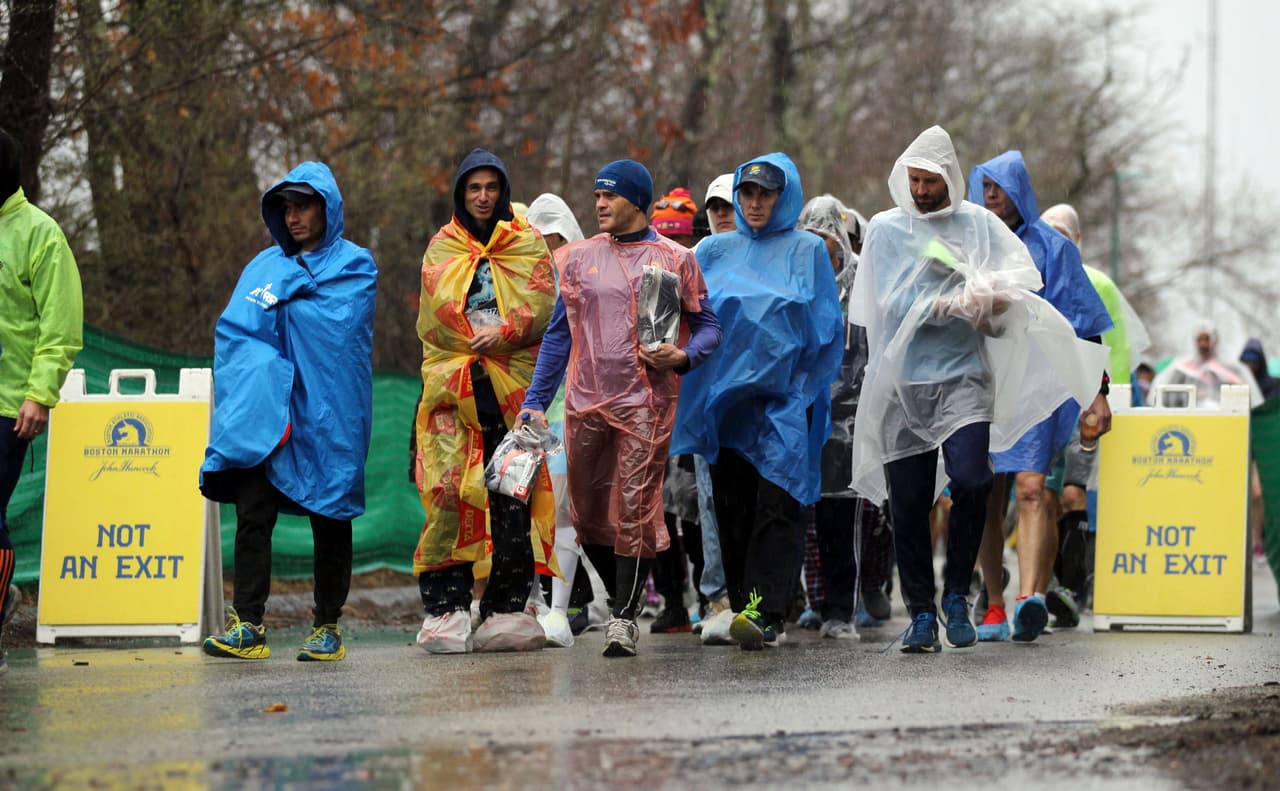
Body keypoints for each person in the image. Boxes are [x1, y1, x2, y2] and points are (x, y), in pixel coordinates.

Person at [849, 126, 1106, 653]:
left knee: (971, 480)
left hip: (964, 376)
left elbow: (1020, 278)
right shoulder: (886, 229)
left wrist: (990, 298)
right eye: (914, 180)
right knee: (910, 501)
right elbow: (881, 302)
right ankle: (921, 612)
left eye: (930, 180)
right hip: (904, 381)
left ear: (950, 177)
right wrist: (942, 304)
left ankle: (956, 596)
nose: (920, 191)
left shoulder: (978, 225)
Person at [517, 159, 721, 658]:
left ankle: (624, 618)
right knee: (585, 513)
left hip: (646, 404)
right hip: (585, 404)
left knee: (633, 507)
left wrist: (684, 356)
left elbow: (710, 325)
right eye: (597, 196)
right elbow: (557, 337)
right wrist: (534, 403)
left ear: (636, 200)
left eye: (610, 196)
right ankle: (621, 594)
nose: (600, 204)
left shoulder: (675, 258)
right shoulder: (577, 259)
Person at [200, 161, 377, 662]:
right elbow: (235, 332)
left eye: (304, 206)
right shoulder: (262, 266)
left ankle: (327, 625)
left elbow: (338, 328)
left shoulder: (355, 264)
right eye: (286, 208)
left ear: (328, 208)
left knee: (329, 510)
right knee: (253, 511)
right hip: (267, 412)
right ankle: (248, 624)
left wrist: (286, 296)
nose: (294, 217)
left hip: (326, 411)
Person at [671, 153, 843, 651]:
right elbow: (692, 317)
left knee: (778, 503)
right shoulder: (714, 251)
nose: (755, 202)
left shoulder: (808, 251)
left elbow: (825, 328)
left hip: (784, 400)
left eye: (766, 192)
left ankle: (767, 611)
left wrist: (803, 389)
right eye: (747, 193)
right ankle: (745, 604)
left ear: (784, 194)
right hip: (725, 400)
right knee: (732, 506)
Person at [412, 150, 558, 655]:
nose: (482, 197)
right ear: (459, 193)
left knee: (510, 496)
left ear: (503, 190)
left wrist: (507, 330)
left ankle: (507, 607)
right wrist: (471, 333)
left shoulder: (527, 243)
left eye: (491, 187)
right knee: (448, 491)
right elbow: (434, 317)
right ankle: (446, 607)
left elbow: (543, 306)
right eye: (473, 188)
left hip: (512, 392)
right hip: (454, 388)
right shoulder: (441, 248)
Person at [968, 151, 1113, 643]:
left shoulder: (1053, 248)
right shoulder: (970, 245)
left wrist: (1097, 394)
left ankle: (1029, 597)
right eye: (984, 188)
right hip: (982, 382)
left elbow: (1083, 322)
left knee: (1033, 488)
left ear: (1019, 191)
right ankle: (992, 602)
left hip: (1040, 386)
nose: (992, 197)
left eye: (1001, 188)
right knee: (985, 492)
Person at [1039, 203, 1151, 617]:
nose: (1056, 242)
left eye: (1063, 234)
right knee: (1040, 495)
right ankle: (1045, 584)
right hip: (1040, 403)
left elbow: (1116, 348)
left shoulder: (1097, 283)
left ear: (1078, 240)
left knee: (1072, 494)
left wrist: (1114, 397)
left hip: (1085, 402)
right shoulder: (1031, 275)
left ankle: (1072, 587)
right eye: (1048, 233)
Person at [0, 129, 84, 673]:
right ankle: (5, 597)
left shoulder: (40, 234)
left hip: (11, 406)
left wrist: (40, 394)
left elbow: (61, 324)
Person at [798, 194, 883, 640]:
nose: (819, 252)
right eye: (810, 241)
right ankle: (795, 604)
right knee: (795, 523)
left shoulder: (861, 287)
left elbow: (870, 353)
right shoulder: (791, 281)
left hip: (846, 423)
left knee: (839, 522)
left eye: (826, 242)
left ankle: (839, 610)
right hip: (796, 418)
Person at [524, 192, 587, 647]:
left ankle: (562, 608)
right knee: (524, 509)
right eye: (540, 243)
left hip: (572, 408)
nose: (549, 252)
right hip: (526, 404)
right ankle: (534, 602)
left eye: (554, 241)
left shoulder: (583, 277)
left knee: (564, 509)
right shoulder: (520, 282)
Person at [1152, 322, 1261, 409]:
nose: (1203, 344)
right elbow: (1159, 397)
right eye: (1200, 339)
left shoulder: (1234, 370)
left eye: (1207, 339)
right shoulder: (1181, 369)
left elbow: (1252, 402)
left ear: (1215, 340)